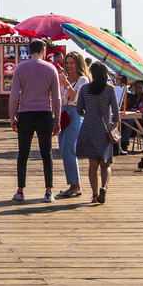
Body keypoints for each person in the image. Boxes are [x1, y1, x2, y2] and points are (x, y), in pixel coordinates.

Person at [8, 39, 62, 203]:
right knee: (46, 153)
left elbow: (14, 97)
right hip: (45, 113)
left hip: (25, 113)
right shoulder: (51, 68)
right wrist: (57, 119)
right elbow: (57, 98)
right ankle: (48, 192)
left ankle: (20, 190)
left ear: (29, 51)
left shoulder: (20, 68)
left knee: (23, 153)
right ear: (43, 50)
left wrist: (12, 117)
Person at [74, 61, 121, 205]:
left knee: (92, 165)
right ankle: (104, 187)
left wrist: (87, 116)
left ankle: (94, 195)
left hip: (88, 128)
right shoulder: (109, 89)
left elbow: (79, 109)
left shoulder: (85, 89)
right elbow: (115, 110)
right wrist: (115, 126)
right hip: (105, 129)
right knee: (105, 164)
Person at [55, 51, 90, 199]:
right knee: (63, 150)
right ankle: (72, 184)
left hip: (75, 112)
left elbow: (77, 98)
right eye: (67, 63)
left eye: (72, 63)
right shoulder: (64, 78)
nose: (69, 66)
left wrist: (67, 84)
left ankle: (76, 185)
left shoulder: (83, 80)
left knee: (68, 148)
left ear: (78, 64)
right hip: (63, 112)